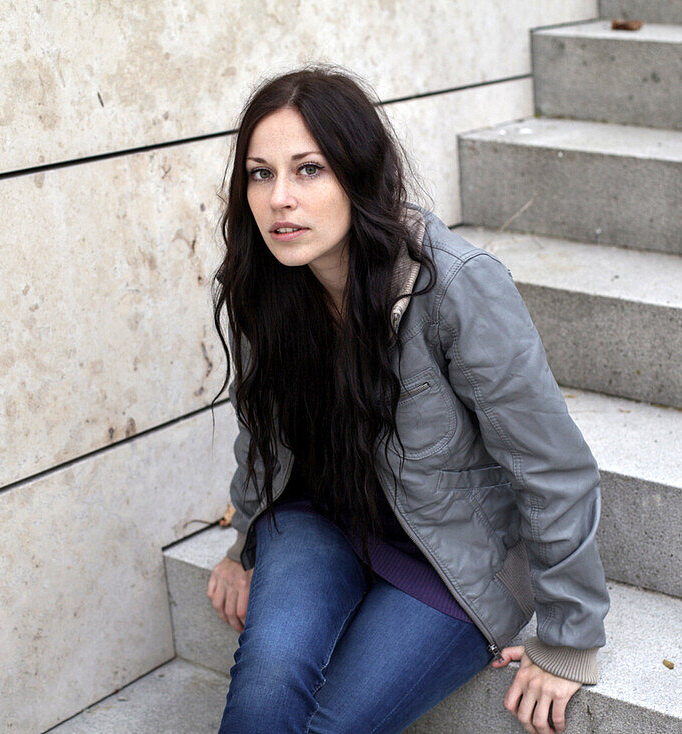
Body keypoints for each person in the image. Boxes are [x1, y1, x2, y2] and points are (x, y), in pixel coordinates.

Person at [206, 65, 610, 734]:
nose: (280, 198)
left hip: (446, 554)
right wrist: (245, 539)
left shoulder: (456, 288)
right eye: (260, 173)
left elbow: (553, 467)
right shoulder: (267, 282)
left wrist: (569, 639)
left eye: (309, 170)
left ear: (358, 173)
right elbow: (263, 432)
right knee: (261, 698)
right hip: (320, 520)